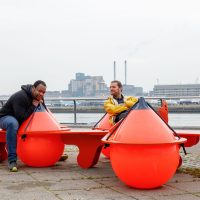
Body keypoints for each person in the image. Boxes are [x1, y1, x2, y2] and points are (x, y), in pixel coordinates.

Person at [0, 80, 47, 172]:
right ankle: (12, 160)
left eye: (43, 92)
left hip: (18, 118)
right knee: (13, 124)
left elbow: (44, 114)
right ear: (33, 88)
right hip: (5, 117)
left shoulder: (38, 97)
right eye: (39, 91)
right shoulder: (21, 96)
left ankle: (48, 153)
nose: (41, 94)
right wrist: (33, 105)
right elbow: (21, 118)